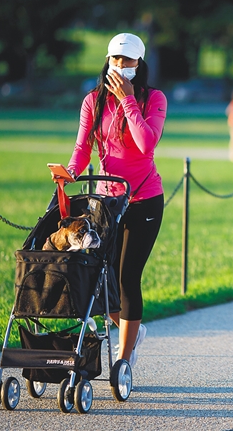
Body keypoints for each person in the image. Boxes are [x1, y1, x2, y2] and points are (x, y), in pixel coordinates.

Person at [61, 32, 167, 369]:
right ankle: (132, 332)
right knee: (102, 280)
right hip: (108, 204)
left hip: (144, 200)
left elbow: (146, 144)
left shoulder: (154, 99)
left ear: (139, 63)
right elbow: (82, 149)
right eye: (116, 59)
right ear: (108, 60)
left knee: (127, 279)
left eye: (128, 60)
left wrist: (128, 100)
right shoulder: (93, 101)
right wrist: (70, 172)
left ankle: (124, 356)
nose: (122, 66)